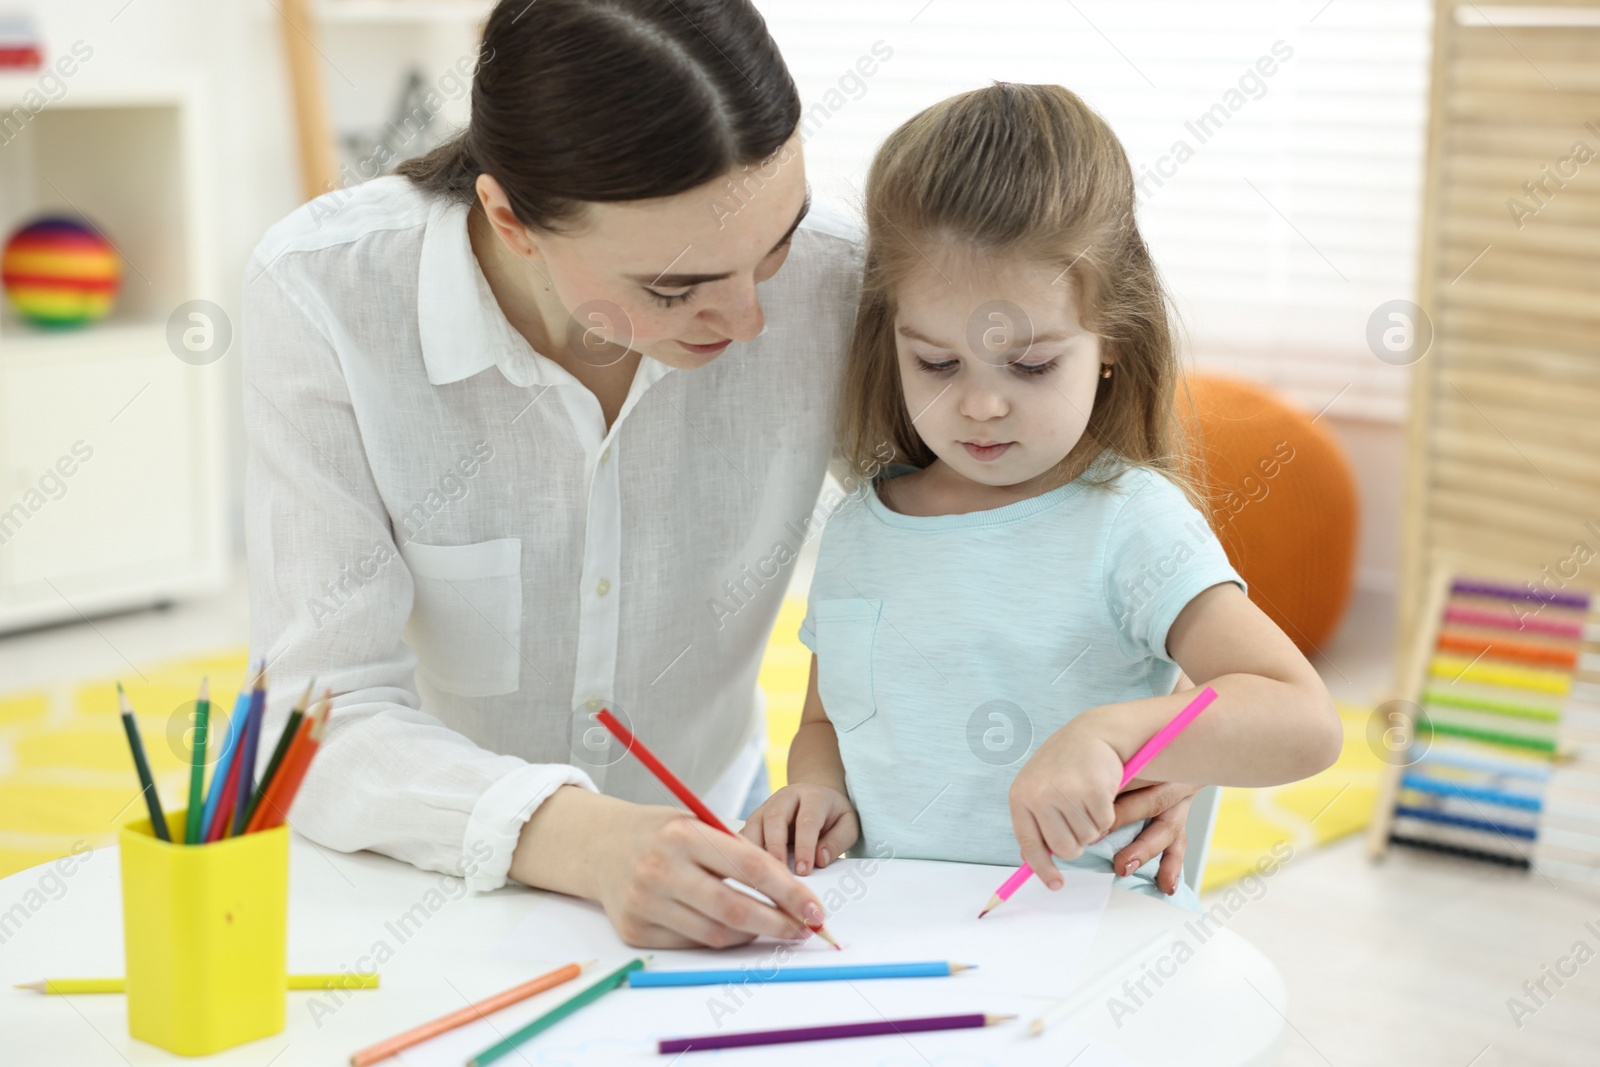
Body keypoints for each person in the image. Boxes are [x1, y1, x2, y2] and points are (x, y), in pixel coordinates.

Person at [242, 0, 1204, 949]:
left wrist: (1155, 747)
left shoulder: (836, 280)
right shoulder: (328, 292)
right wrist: (581, 838)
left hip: (734, 848)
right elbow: (317, 717)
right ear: (511, 219)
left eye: (775, 244)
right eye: (674, 288)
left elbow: (1037, 533)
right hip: (432, 866)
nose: (749, 321)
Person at [740, 83, 1342, 912]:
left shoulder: (1131, 523)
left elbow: (1304, 720)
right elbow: (824, 726)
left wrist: (1112, 734)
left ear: (1110, 346)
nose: (982, 406)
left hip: (1080, 938)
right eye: (937, 364)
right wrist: (817, 791)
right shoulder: (861, 527)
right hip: (890, 932)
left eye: (1030, 366)